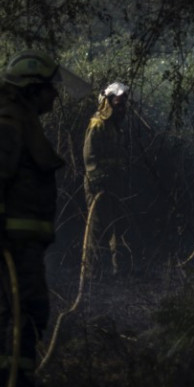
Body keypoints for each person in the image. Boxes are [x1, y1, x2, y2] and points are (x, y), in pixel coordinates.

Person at [0, 49, 67, 387]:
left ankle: (11, 380)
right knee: (28, 306)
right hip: (14, 238)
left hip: (22, 238)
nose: (55, 95)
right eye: (48, 88)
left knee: (16, 307)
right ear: (31, 90)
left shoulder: (22, 121)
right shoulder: (9, 125)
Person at [83, 81, 132, 276]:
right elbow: (89, 156)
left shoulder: (114, 127)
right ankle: (92, 274)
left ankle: (117, 270)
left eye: (124, 105)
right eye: (118, 104)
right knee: (97, 229)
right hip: (99, 185)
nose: (122, 109)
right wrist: (98, 180)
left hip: (113, 183)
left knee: (118, 226)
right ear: (107, 103)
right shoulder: (98, 124)